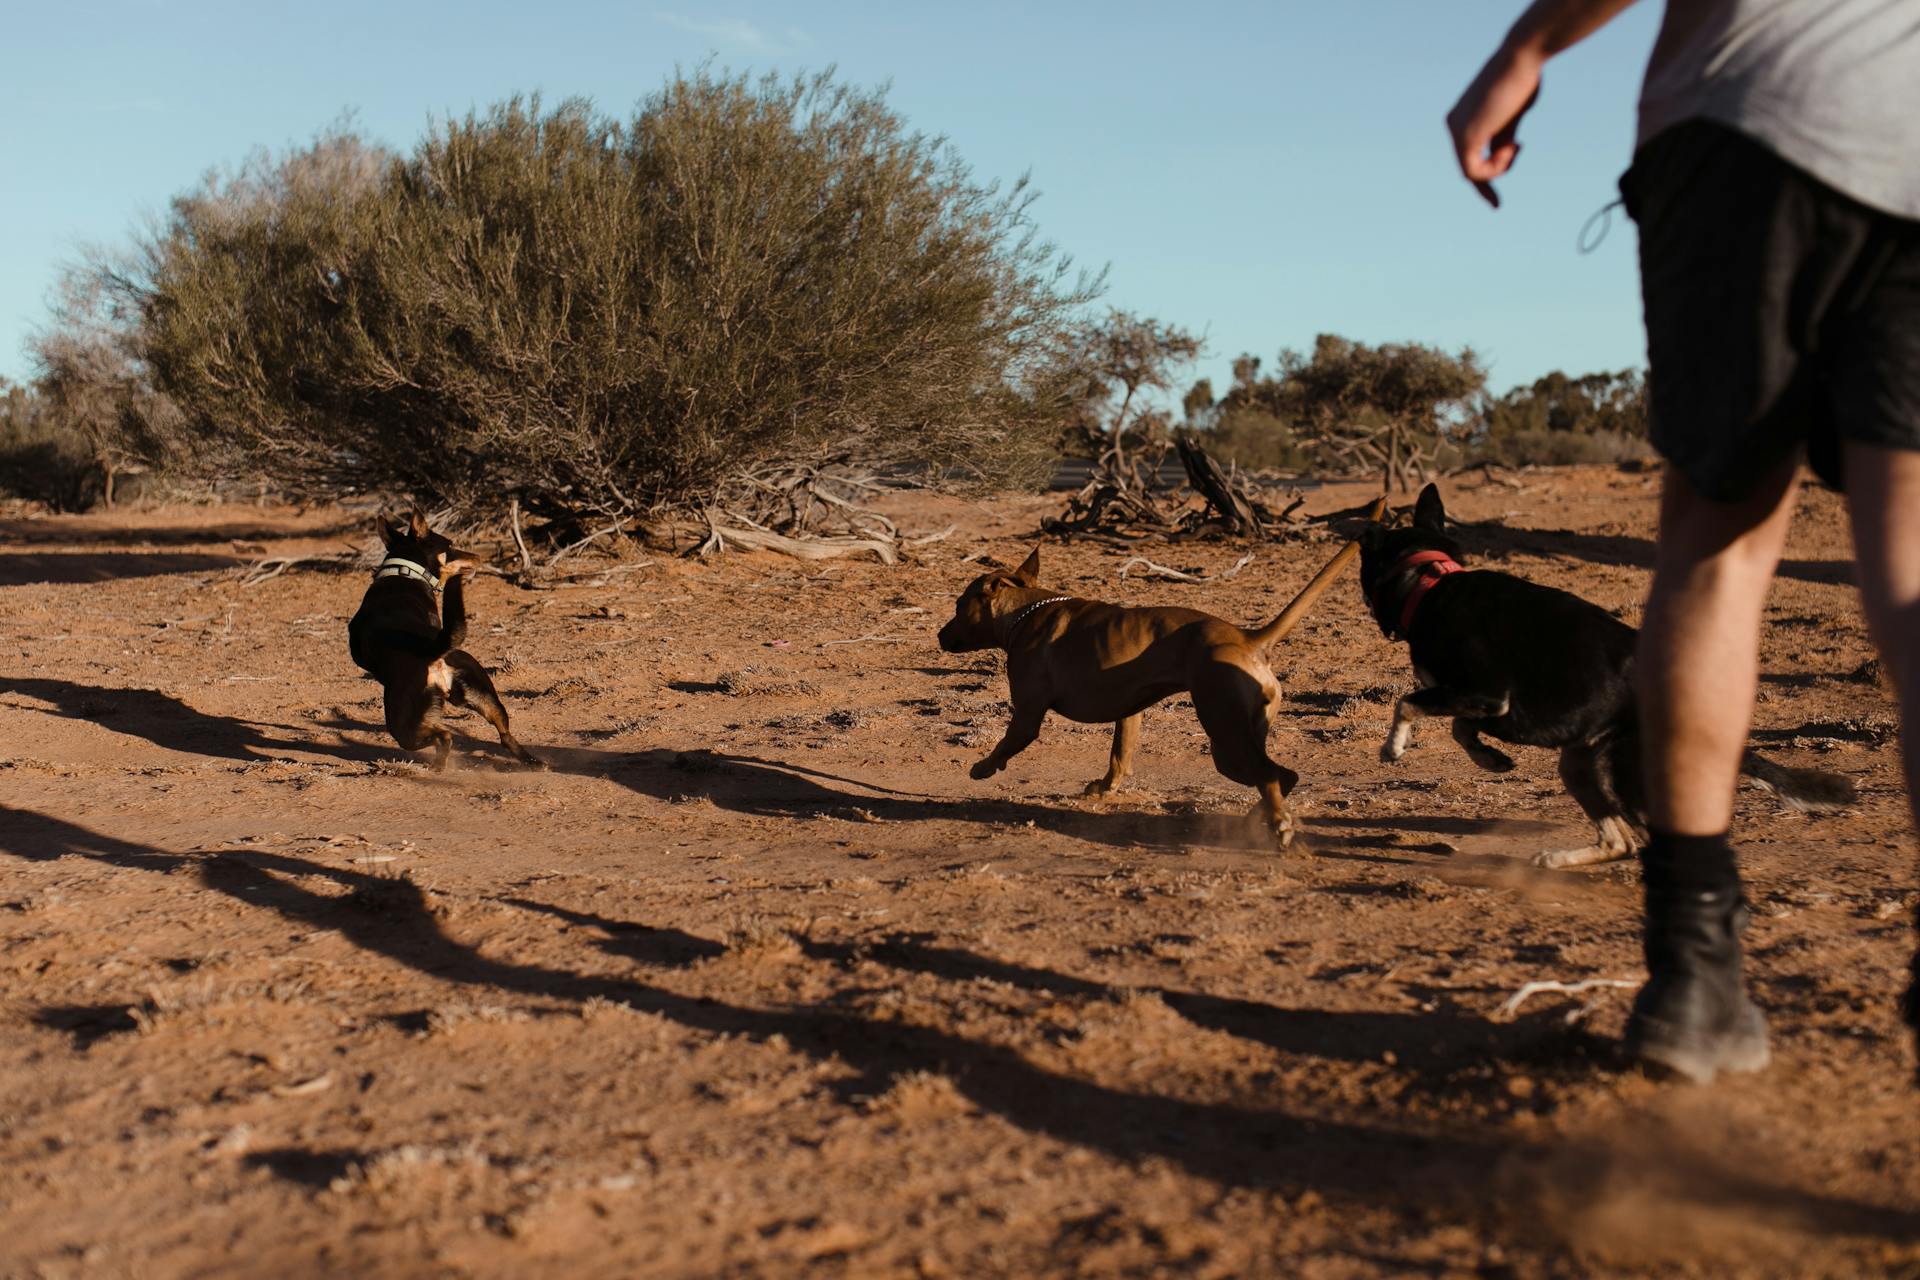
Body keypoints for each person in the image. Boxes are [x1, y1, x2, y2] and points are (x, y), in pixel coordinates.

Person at [1446, 0, 1920, 1084]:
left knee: (1718, 551)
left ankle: (1693, 968)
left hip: (1742, 129)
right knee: (1913, 573)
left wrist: (1527, 47)